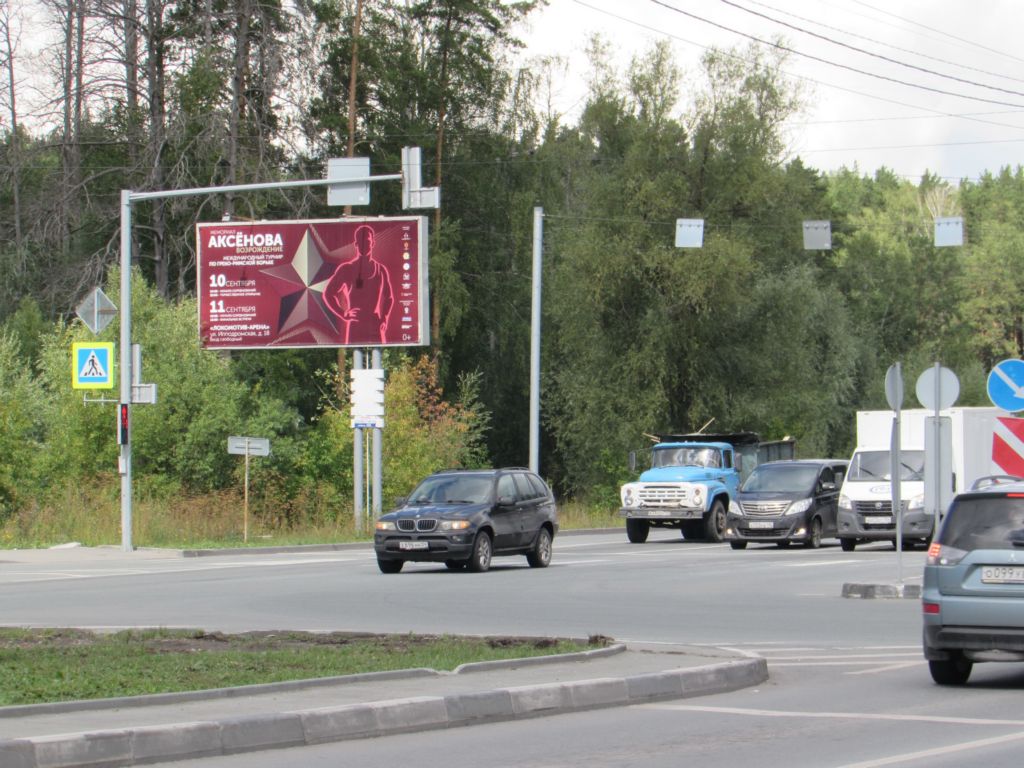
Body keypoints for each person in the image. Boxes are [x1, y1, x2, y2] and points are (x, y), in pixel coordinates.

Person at [323, 224, 395, 344]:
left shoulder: (380, 269)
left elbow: (389, 297)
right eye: (360, 242)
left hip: (374, 323)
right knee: (354, 358)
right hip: (356, 325)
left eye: (366, 241)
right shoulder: (347, 269)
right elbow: (328, 293)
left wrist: (384, 318)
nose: (364, 245)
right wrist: (344, 313)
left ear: (372, 243)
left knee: (377, 356)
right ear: (356, 244)